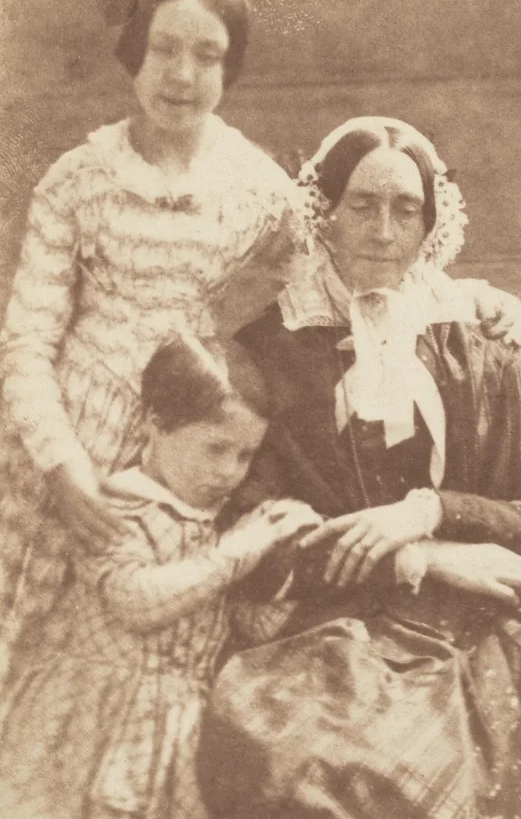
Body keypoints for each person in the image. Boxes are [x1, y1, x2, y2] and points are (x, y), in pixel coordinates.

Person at [0, 0, 521, 688]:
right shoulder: (78, 178)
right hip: (73, 442)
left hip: (192, 438)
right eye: (164, 48)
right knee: (33, 644)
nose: (182, 75)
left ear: (230, 66)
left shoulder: (254, 186)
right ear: (134, 49)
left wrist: (469, 295)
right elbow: (25, 340)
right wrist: (60, 466)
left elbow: (357, 264)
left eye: (207, 55)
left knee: (167, 649)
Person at [195, 117, 521, 819]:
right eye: (362, 205)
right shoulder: (271, 350)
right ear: (323, 213)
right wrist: (420, 559)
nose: (383, 230)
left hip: (480, 616)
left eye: (404, 209)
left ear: (430, 225)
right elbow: (246, 538)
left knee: (428, 758)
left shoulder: (482, 344)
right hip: (326, 620)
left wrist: (432, 513)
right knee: (291, 754)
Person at [0, 334, 322, 819]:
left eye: (244, 456)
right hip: (95, 720)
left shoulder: (208, 525)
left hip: (175, 733)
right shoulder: (118, 506)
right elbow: (137, 603)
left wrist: (294, 572)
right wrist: (239, 550)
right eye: (215, 448)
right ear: (156, 424)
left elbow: (235, 623)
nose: (229, 472)